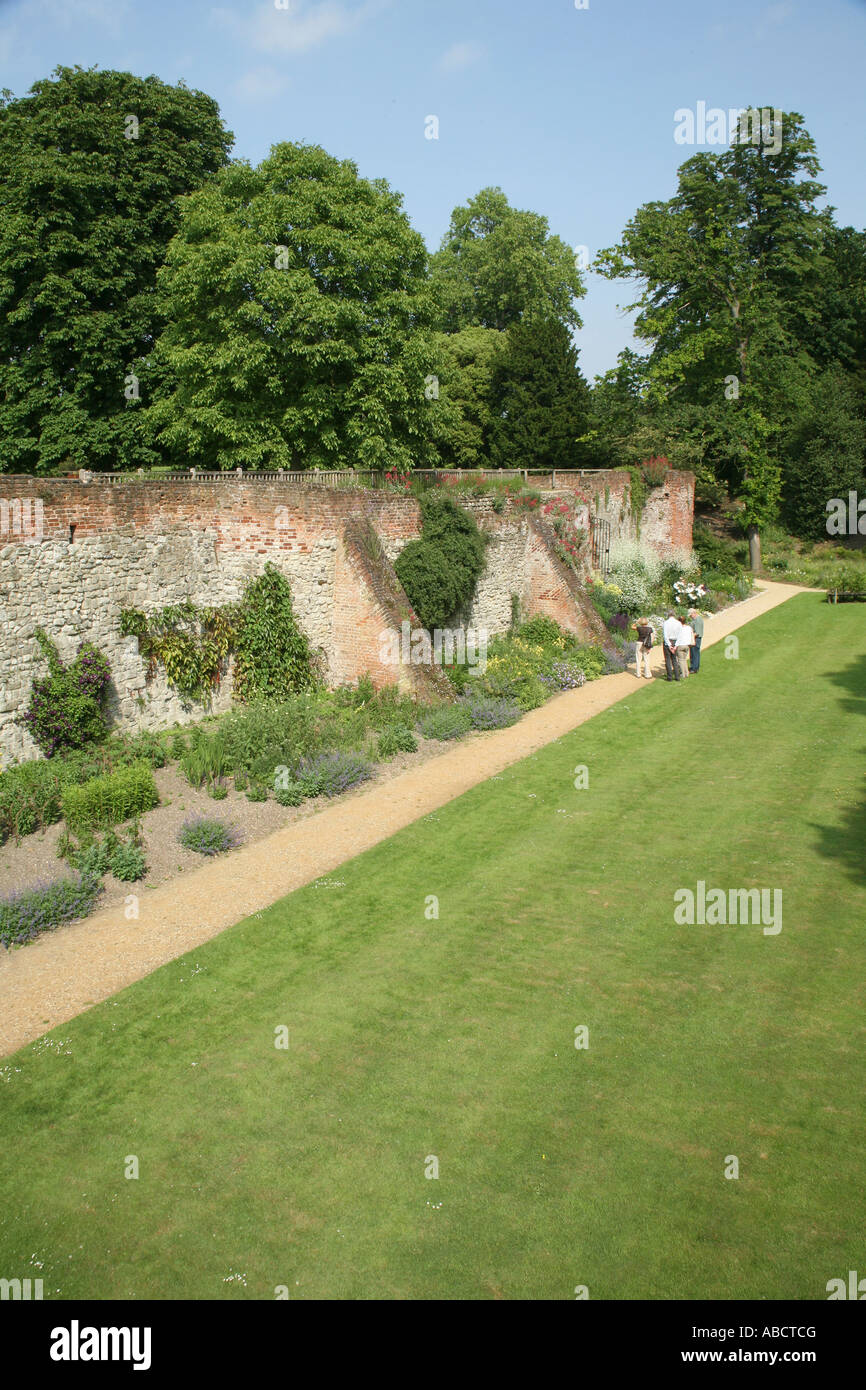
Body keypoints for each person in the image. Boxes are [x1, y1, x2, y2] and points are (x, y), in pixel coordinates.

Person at [662, 611, 682, 681]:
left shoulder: (666, 623)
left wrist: (669, 645)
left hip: (668, 642)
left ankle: (669, 677)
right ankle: (677, 676)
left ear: (668, 615)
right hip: (675, 641)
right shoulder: (678, 623)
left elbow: (665, 635)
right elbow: (680, 635)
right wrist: (676, 646)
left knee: (667, 660)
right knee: (674, 660)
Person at [677, 615, 694, 680]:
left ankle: (683, 674)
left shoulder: (678, 628)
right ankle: (686, 672)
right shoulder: (689, 627)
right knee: (684, 659)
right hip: (687, 645)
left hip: (680, 645)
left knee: (680, 660)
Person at [689, 608, 704, 673]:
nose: (690, 616)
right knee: (694, 653)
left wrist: (690, 637)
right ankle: (694, 667)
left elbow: (697, 632)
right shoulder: (696, 619)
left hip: (696, 639)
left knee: (694, 653)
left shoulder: (697, 620)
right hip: (695, 638)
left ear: (694, 613)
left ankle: (694, 668)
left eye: (690, 615)